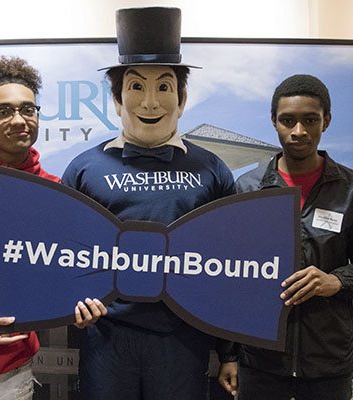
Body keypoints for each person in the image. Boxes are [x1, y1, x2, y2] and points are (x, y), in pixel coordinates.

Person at [62, 7, 235, 400]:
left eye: (164, 86)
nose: (151, 102)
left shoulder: (212, 169)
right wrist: (68, 303)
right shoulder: (84, 168)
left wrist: (230, 351)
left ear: (182, 96)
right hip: (105, 335)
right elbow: (59, 251)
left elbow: (232, 263)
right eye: (136, 87)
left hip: (184, 338)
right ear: (117, 98)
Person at [0, 56, 106, 399]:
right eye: (4, 111)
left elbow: (63, 273)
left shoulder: (54, 192)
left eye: (28, 109)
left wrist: (76, 307)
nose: (18, 119)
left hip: (13, 368)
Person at [218, 74, 353, 400]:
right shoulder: (248, 189)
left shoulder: (349, 189)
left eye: (310, 120)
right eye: (288, 121)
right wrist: (230, 355)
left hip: (330, 361)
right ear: (274, 122)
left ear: (327, 121)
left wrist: (336, 281)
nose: (299, 132)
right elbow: (231, 278)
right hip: (261, 361)